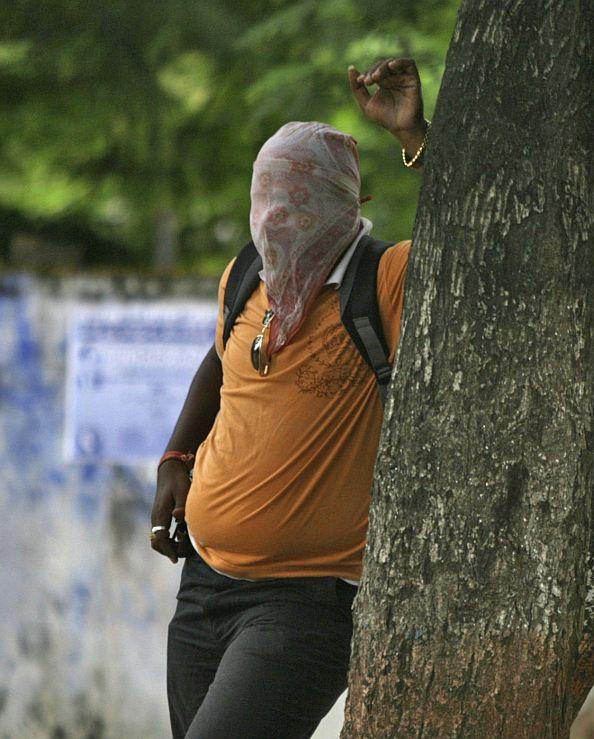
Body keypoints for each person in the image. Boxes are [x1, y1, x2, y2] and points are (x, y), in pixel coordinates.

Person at [150, 57, 430, 739]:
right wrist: (175, 457)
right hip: (203, 584)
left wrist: (416, 134)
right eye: (266, 196)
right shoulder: (247, 276)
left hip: (302, 604)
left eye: (297, 199)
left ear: (347, 205)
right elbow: (218, 366)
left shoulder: (384, 281)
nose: (277, 215)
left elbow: (475, 241)